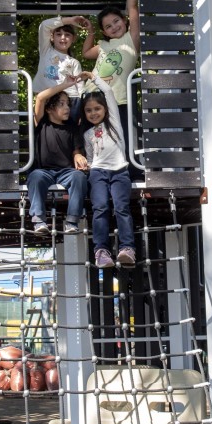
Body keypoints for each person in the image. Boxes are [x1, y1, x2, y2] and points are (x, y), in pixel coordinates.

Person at [82, 0, 141, 179]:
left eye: (116, 21)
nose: (114, 26)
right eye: (107, 26)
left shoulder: (130, 40)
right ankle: (90, 171)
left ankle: (130, 173)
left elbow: (133, 8)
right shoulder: (103, 45)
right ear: (104, 31)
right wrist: (90, 32)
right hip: (92, 95)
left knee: (122, 135)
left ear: (124, 21)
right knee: (91, 137)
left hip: (118, 99)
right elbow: (86, 52)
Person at [80, 77, 136, 269]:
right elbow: (90, 156)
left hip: (119, 171)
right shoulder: (88, 134)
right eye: (89, 110)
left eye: (97, 108)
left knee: (121, 207)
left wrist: (93, 77)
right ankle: (101, 250)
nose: (93, 113)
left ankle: (127, 248)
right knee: (100, 207)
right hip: (97, 173)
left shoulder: (113, 123)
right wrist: (85, 164)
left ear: (105, 109)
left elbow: (110, 93)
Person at [26, 79, 89, 236]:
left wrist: (78, 156)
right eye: (61, 104)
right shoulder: (41, 123)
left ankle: (72, 221)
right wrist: (67, 84)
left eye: (68, 104)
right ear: (49, 109)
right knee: (35, 176)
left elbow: (76, 150)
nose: (67, 108)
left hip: (65, 172)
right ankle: (39, 220)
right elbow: (40, 97)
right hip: (45, 171)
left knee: (79, 177)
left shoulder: (72, 127)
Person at [34, 15, 91, 122]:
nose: (63, 38)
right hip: (47, 99)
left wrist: (81, 112)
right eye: (58, 34)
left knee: (69, 135)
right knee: (44, 131)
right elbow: (44, 26)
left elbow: (80, 88)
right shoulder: (46, 51)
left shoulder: (74, 62)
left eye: (67, 35)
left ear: (73, 39)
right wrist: (70, 20)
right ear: (52, 37)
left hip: (71, 101)